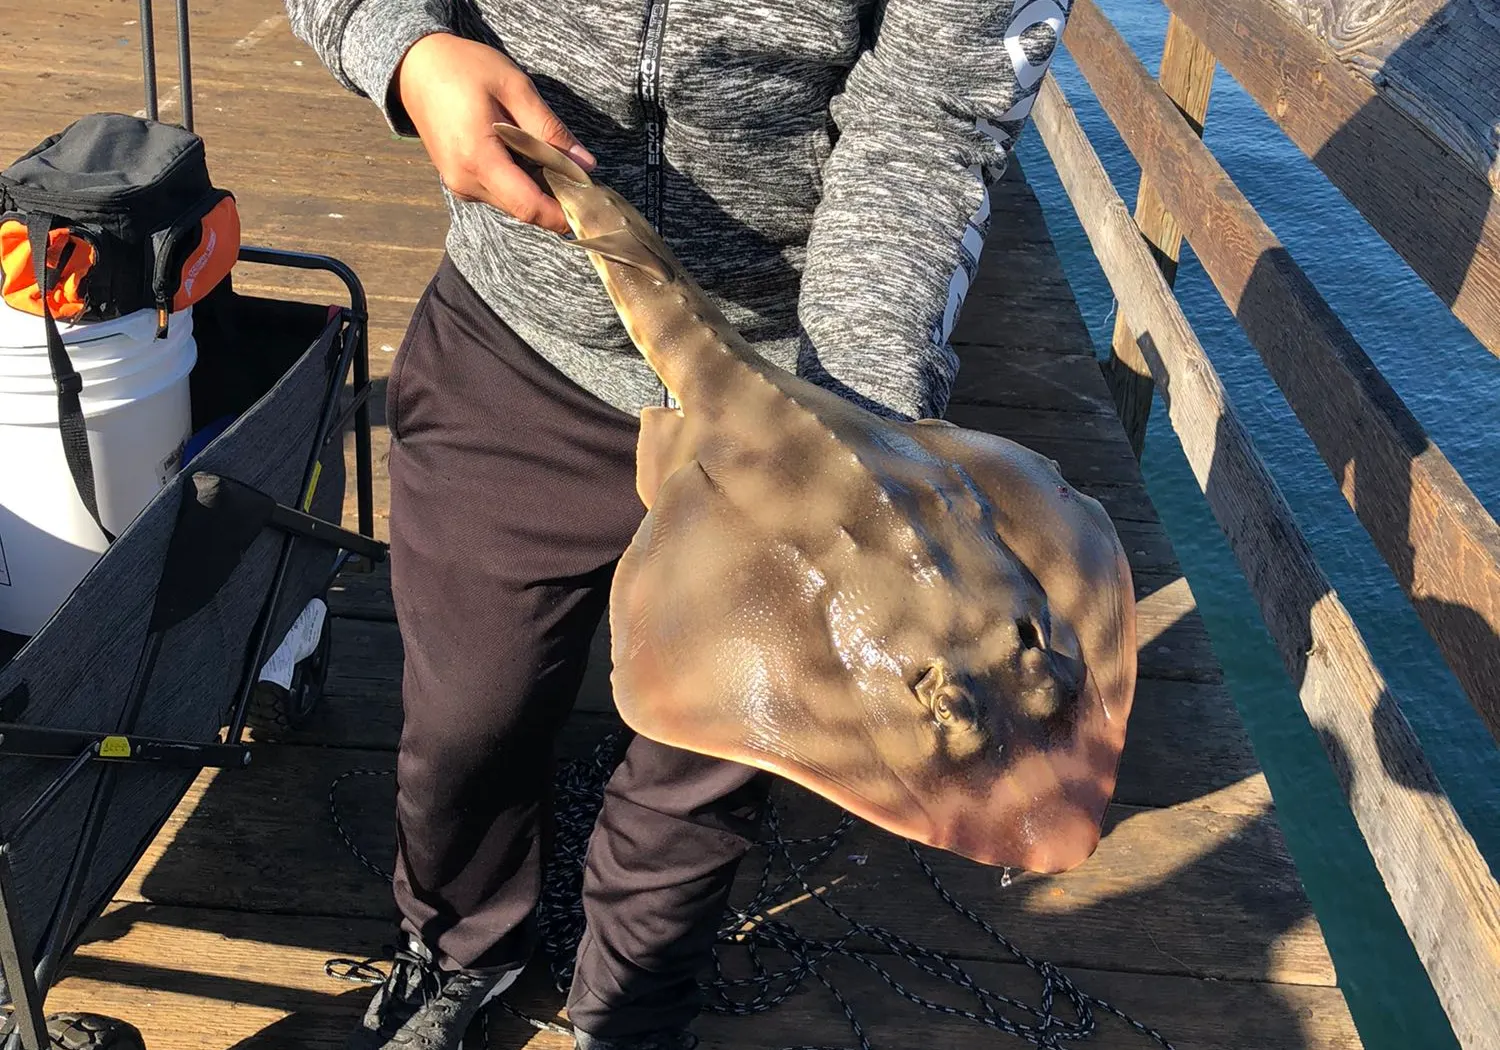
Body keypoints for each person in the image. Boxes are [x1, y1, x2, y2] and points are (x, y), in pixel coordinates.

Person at [283, 1, 1070, 1048]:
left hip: (800, 381)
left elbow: (934, 106)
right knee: (469, 713)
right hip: (521, 337)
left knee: (704, 765)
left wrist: (855, 442)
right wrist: (406, 51)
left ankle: (632, 1013)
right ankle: (458, 946)